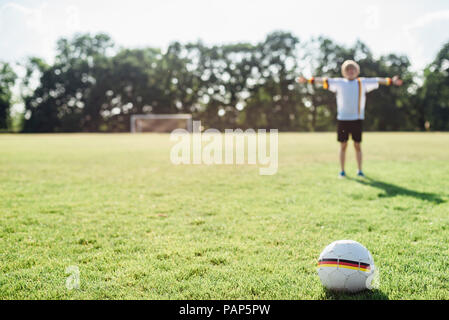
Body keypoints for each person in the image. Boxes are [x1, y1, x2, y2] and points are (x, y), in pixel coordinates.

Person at [297, 60, 403, 178]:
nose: (350, 71)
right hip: (343, 119)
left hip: (357, 119)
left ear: (357, 71)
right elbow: (322, 80)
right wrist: (307, 80)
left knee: (357, 145)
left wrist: (391, 81)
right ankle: (342, 171)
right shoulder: (339, 83)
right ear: (344, 72)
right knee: (343, 145)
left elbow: (378, 80)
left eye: (353, 69)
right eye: (348, 69)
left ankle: (359, 170)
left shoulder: (362, 82)